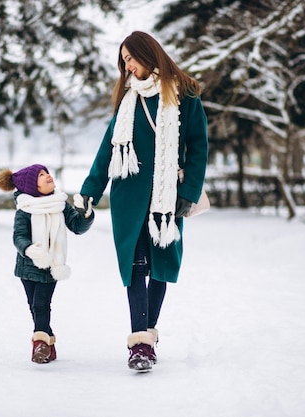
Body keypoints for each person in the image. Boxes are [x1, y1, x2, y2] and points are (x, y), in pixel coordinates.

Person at [78, 31, 208, 371]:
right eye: (123, 61)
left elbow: (198, 148)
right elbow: (108, 150)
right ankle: (140, 342)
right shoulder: (127, 99)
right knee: (135, 266)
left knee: (161, 265)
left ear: (148, 54)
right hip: (129, 197)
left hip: (167, 198)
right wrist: (90, 191)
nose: (127, 66)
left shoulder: (185, 93)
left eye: (130, 58)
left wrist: (189, 192)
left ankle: (147, 333)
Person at [0, 164, 94, 364]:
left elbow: (76, 226)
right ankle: (48, 345)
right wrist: (29, 249)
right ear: (32, 186)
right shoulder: (25, 210)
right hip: (27, 266)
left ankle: (38, 345)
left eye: (47, 172)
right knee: (34, 306)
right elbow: (19, 236)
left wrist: (85, 215)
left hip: (52, 265)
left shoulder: (60, 204)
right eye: (41, 175)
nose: (47, 176)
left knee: (41, 304)